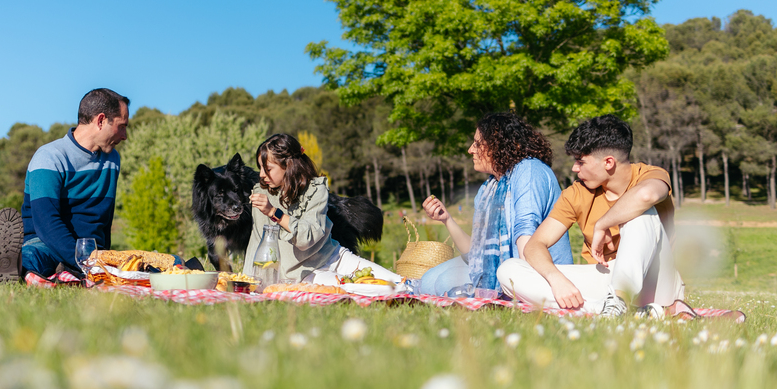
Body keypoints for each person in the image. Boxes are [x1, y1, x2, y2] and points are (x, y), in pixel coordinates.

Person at [497, 114, 687, 317]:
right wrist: (556, 279)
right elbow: (535, 245)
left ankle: (619, 302)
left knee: (642, 213)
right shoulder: (577, 193)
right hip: (606, 279)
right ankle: (617, 311)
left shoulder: (650, 175)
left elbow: (647, 195)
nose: (574, 168)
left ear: (608, 162)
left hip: (656, 279)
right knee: (509, 271)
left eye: (580, 161)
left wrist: (602, 224)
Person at [419, 113, 573, 297]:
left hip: (536, 269)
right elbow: (474, 252)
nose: (470, 150)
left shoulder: (529, 171)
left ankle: (493, 299)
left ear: (499, 145)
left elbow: (526, 231)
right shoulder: (489, 188)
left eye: (477, 144)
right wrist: (447, 220)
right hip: (500, 265)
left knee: (444, 283)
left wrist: (528, 289)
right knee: (427, 282)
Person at [0, 88, 130, 282]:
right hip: (48, 243)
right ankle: (13, 267)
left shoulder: (113, 160)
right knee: (35, 256)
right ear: (101, 120)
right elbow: (46, 223)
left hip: (95, 253)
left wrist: (103, 258)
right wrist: (83, 261)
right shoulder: (49, 158)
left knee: (156, 264)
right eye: (122, 126)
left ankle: (43, 274)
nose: (124, 136)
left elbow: (104, 221)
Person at [242, 133, 400, 285]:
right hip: (303, 273)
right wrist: (246, 281)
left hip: (334, 257)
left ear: (288, 166)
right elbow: (256, 241)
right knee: (357, 287)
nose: (261, 174)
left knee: (396, 281)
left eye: (268, 169)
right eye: (260, 168)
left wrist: (274, 212)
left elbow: (306, 239)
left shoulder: (316, 189)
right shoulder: (261, 192)